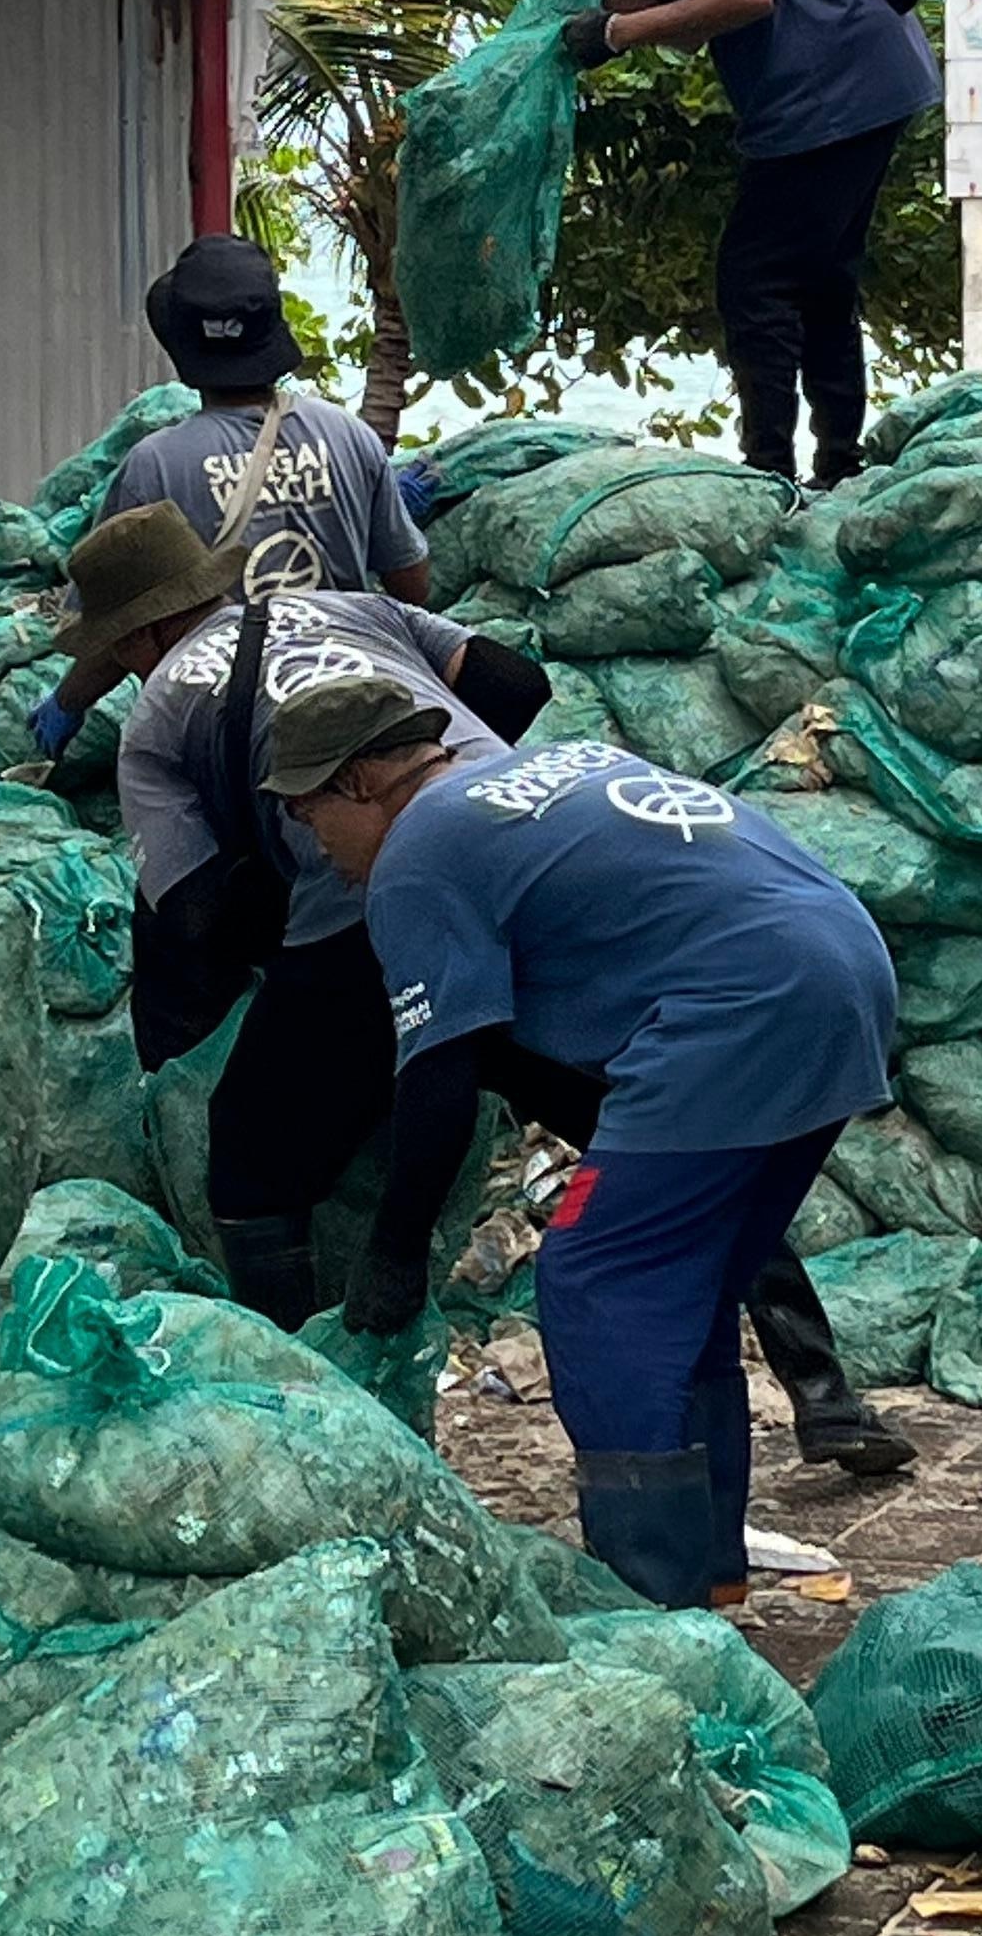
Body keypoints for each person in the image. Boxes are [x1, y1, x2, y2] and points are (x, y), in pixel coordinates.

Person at [266, 671, 902, 1606]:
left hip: (738, 1007)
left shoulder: (419, 851)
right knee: (686, 1288)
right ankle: (711, 1579)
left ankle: (653, 1596)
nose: (321, 851)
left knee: (599, 1280)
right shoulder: (553, 768)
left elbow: (440, 1072)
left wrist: (394, 1254)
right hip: (843, 968)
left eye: (312, 819)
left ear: (360, 783)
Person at [66, 499, 547, 1324]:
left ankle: (294, 1370)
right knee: (591, 1096)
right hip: (527, 829)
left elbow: (193, 912)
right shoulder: (352, 607)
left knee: (249, 1160)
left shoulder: (156, 714)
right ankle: (810, 1372)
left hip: (371, 889)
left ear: (139, 637)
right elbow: (516, 681)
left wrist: (310, 865)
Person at [523, 0, 938, 489]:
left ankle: (769, 470)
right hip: (872, 71)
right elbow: (695, 22)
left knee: (755, 277)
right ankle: (839, 464)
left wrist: (615, 38)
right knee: (821, 278)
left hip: (831, 83)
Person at [113, 233, 430, 603]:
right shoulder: (351, 436)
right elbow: (412, 587)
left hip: (221, 661)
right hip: (347, 656)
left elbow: (112, 623)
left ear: (181, 343)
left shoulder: (153, 467)